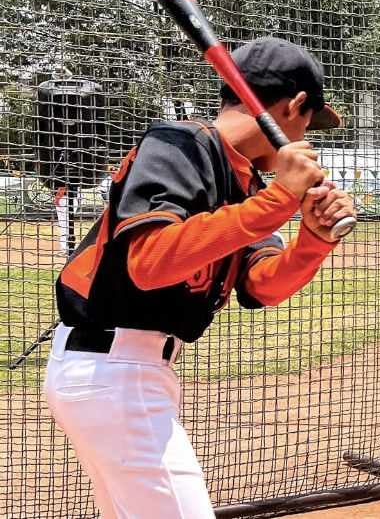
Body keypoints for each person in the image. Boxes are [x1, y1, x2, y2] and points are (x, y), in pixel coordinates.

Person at [44, 37, 357, 517]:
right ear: (295, 106)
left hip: (135, 373)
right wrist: (277, 202)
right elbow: (148, 263)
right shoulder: (179, 145)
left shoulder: (244, 181)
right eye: (310, 121)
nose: (308, 136)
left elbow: (264, 283)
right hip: (112, 369)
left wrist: (311, 240)